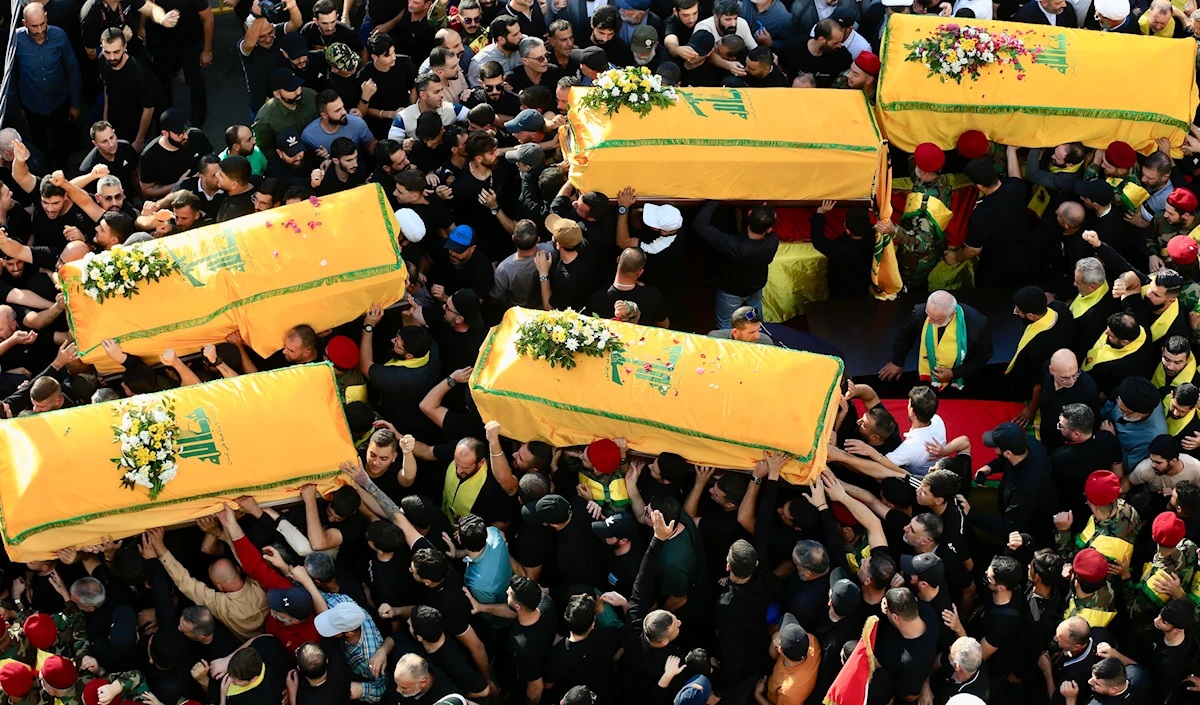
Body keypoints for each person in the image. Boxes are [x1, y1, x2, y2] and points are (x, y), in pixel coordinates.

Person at [11, 3, 83, 168]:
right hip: (32, 105)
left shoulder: (60, 35)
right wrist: (18, 106)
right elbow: (12, 76)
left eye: (42, 24)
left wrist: (75, 103)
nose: (39, 30)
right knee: (39, 143)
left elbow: (73, 69)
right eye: (34, 26)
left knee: (62, 140)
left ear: (46, 17)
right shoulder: (16, 40)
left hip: (59, 102)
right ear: (24, 23)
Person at [880, 290, 994, 391]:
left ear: (952, 315)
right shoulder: (920, 313)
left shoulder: (977, 323)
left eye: (936, 319)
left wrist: (954, 373)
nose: (929, 321)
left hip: (960, 379)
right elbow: (905, 337)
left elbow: (984, 355)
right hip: (926, 373)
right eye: (928, 315)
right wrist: (897, 362)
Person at [693, 200, 778, 329]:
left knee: (725, 322)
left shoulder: (733, 245)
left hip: (732, 292)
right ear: (769, 229)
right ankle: (757, 332)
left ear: (749, 214)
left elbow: (699, 224)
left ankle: (728, 340)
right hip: (755, 287)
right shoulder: (773, 241)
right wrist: (764, 214)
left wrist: (715, 198)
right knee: (754, 313)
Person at [708, 306, 775, 346]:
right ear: (735, 332)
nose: (758, 336)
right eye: (751, 332)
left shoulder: (765, 342)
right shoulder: (714, 339)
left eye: (758, 330)